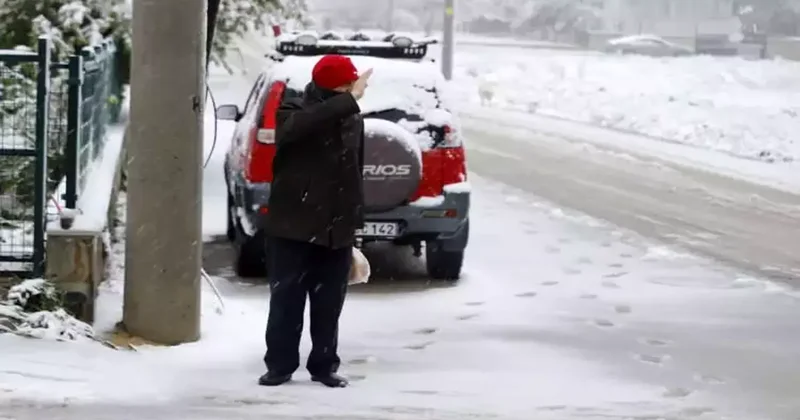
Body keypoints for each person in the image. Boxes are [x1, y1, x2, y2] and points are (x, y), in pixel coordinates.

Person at [258, 55, 373, 388]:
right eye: (346, 85)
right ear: (329, 86)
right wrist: (347, 102)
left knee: (328, 306)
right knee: (286, 302)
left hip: (335, 229)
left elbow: (354, 169)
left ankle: (324, 366)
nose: (352, 90)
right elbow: (297, 129)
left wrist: (354, 222)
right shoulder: (293, 111)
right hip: (291, 228)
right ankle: (279, 366)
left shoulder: (351, 118)